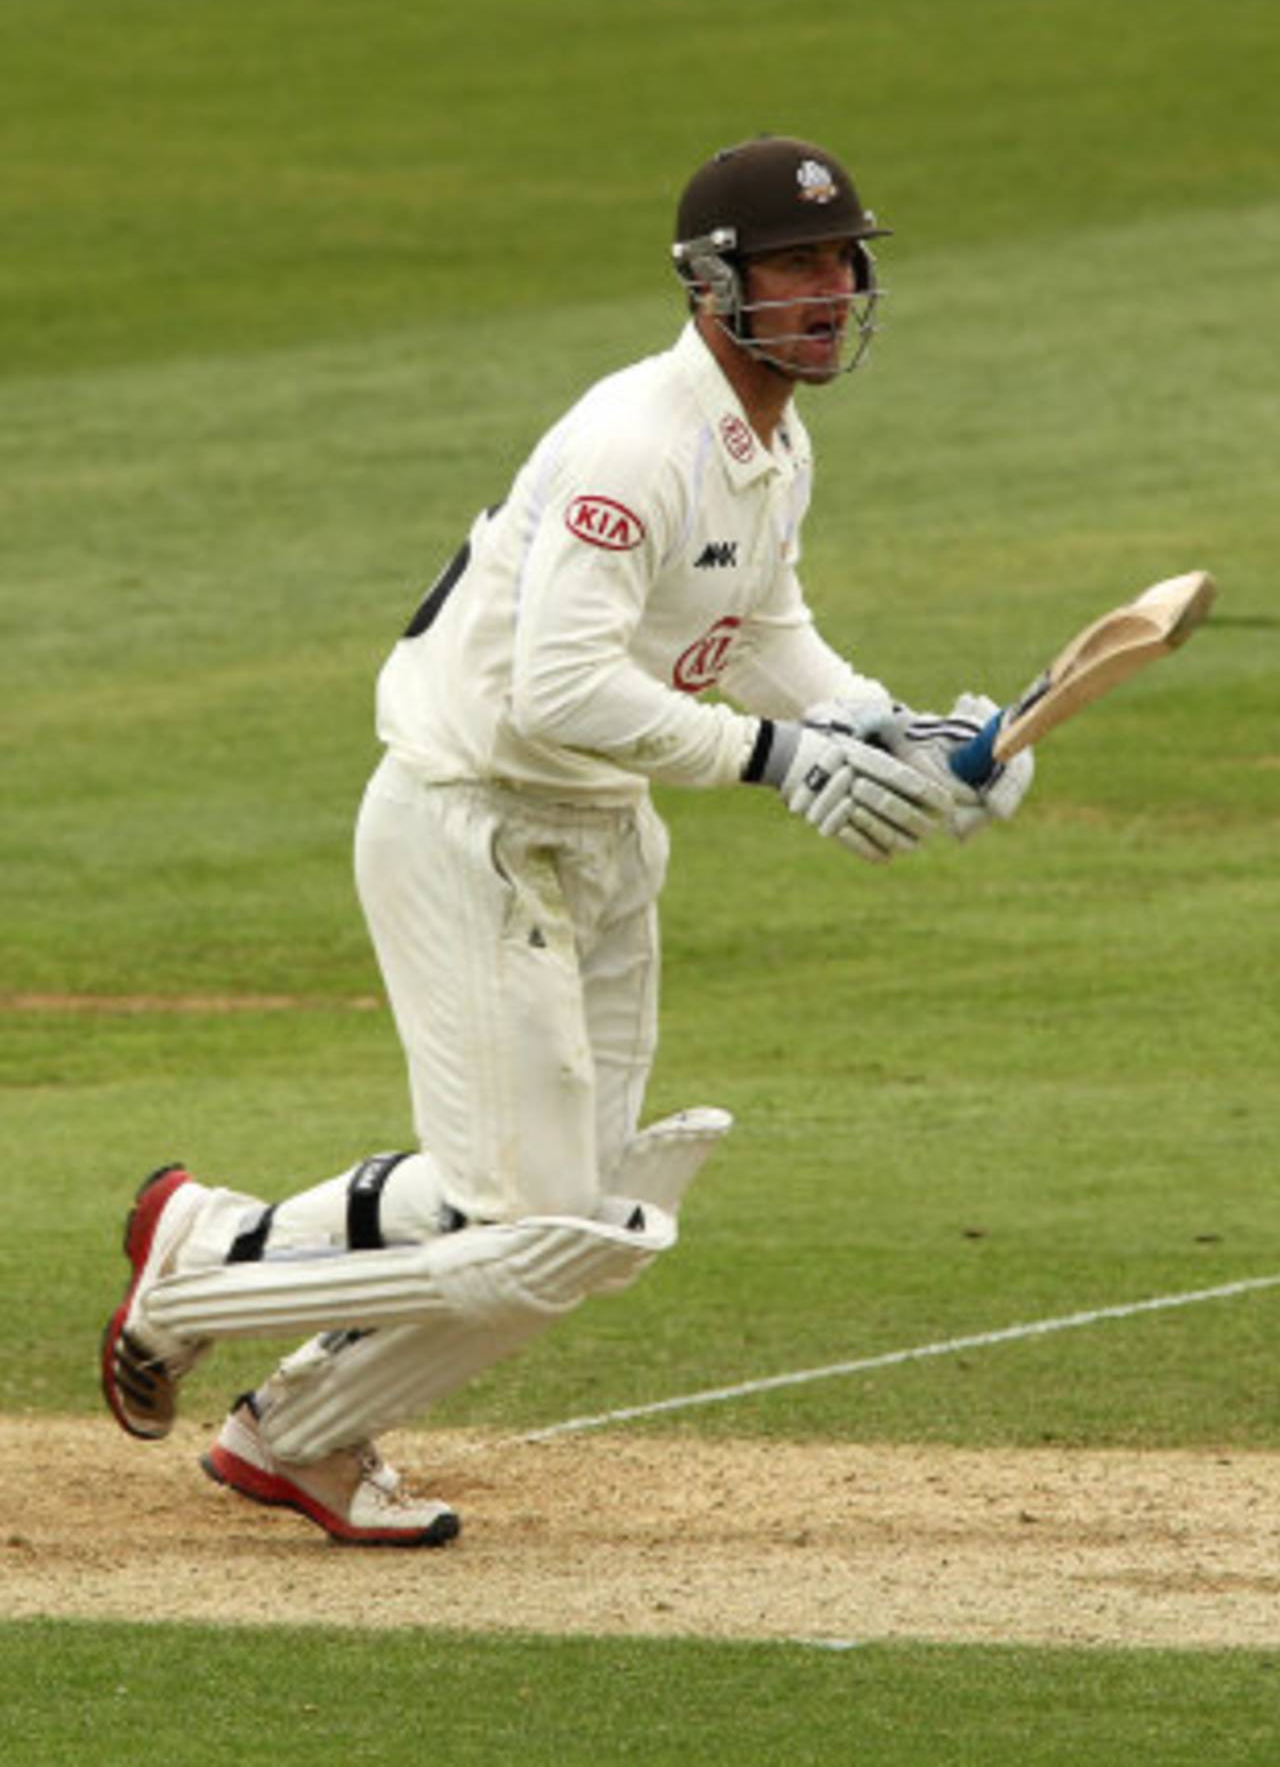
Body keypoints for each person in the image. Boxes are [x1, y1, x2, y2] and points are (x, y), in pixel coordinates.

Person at [100, 135, 1032, 1546]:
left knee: (576, 1221)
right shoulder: (635, 441)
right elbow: (560, 685)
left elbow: (766, 636)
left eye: (845, 261)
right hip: (472, 822)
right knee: (524, 1230)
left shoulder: (772, 444)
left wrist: (897, 731)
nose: (832, 289)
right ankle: (194, 1275)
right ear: (714, 282)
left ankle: (293, 1425)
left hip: (599, 835)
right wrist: (780, 760)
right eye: (796, 263)